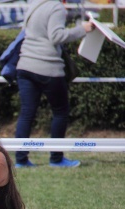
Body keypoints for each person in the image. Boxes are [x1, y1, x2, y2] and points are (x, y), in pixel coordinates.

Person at [14, 0, 95, 168]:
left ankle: (20, 160)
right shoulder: (56, 7)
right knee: (60, 112)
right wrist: (83, 29)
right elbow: (57, 36)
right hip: (48, 67)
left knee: (26, 113)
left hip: (25, 65)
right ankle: (56, 158)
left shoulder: (34, 3)